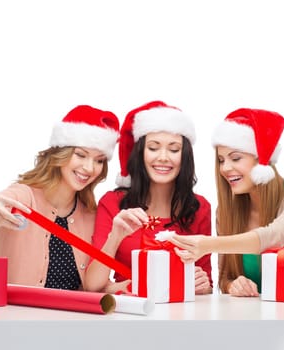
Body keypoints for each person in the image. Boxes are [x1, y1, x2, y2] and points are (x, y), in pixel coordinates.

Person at [168, 108, 284, 297]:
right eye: (221, 160)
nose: (225, 168)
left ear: (262, 160)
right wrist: (234, 285)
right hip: (249, 318)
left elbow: (273, 236)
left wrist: (207, 244)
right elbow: (225, 279)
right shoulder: (227, 212)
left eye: (235, 158)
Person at [0, 105, 120, 290]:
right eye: (80, 155)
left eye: (99, 160)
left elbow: (90, 284)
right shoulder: (23, 196)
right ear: (60, 153)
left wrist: (121, 287)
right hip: (20, 315)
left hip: (75, 316)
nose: (89, 168)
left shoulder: (90, 214)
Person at [84, 101, 213, 295]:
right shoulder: (113, 203)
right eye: (153, 148)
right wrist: (116, 235)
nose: (163, 157)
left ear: (184, 156)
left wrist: (202, 285)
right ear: (140, 154)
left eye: (174, 149)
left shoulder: (199, 207)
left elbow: (207, 285)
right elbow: (93, 285)